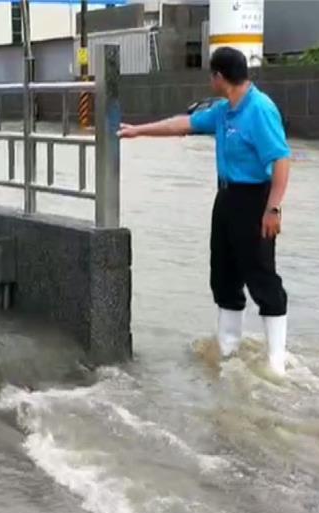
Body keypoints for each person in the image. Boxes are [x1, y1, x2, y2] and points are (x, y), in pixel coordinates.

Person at [118, 47, 292, 375]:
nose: (209, 80)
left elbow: (281, 161)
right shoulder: (225, 111)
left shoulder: (260, 109)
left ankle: (276, 360)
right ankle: (228, 348)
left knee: (261, 276)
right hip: (226, 198)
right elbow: (184, 124)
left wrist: (274, 209)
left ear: (219, 77)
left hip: (256, 200)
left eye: (210, 75)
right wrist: (139, 130)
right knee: (223, 275)